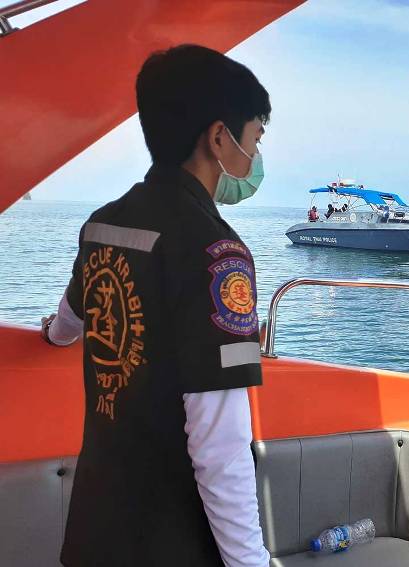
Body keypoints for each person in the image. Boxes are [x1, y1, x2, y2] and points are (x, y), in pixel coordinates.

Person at [40, 45, 271, 567]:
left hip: (94, 528)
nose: (254, 157)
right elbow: (220, 447)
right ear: (218, 138)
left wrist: (52, 334)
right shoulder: (218, 253)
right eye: (255, 137)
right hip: (169, 541)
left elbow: (71, 316)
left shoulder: (103, 222)